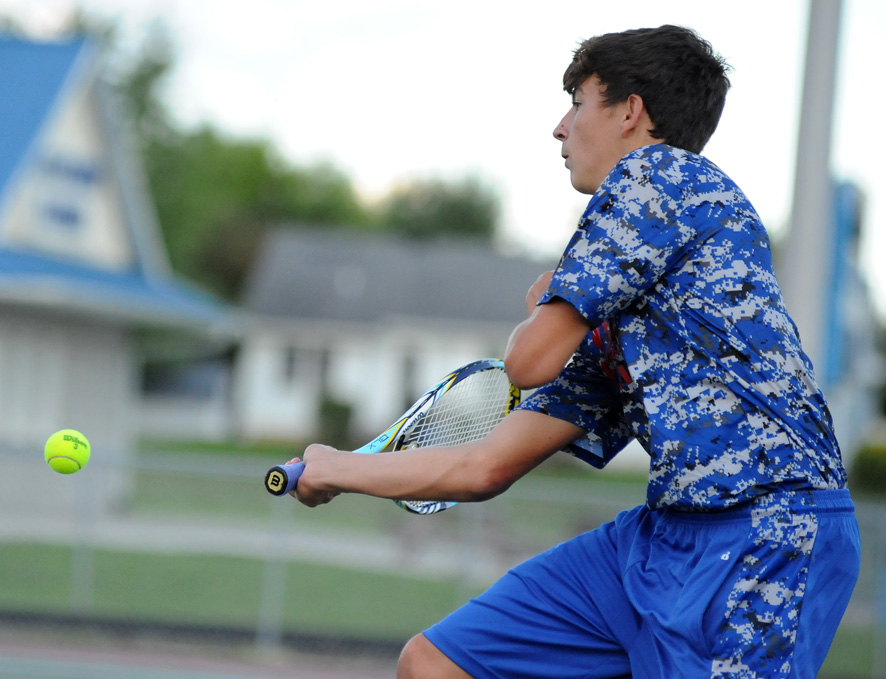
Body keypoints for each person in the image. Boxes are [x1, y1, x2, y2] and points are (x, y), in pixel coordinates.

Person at [289, 24, 860, 679]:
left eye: (577, 100)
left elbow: (526, 363)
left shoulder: (660, 173)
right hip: (663, 534)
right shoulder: (613, 305)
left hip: (768, 533)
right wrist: (336, 467)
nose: (560, 128)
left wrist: (542, 312)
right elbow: (484, 467)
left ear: (630, 112)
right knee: (435, 664)